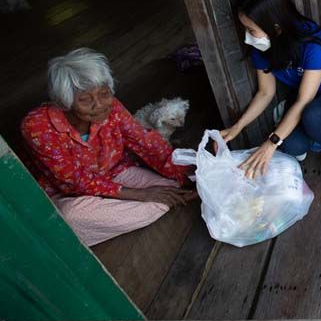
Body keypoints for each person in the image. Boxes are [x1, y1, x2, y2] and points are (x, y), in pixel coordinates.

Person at [20, 48, 195, 247]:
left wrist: (191, 176)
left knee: (171, 187)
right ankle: (143, 205)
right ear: (64, 101)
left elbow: (145, 142)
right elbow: (74, 182)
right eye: (85, 99)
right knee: (70, 218)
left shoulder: (113, 107)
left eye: (104, 93)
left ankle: (130, 208)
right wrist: (142, 195)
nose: (100, 105)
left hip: (115, 173)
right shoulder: (37, 125)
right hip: (68, 193)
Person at [221, 0, 321, 193]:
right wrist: (238, 126)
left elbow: (304, 101)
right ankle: (316, 132)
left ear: (276, 28)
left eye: (251, 30)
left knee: (313, 115)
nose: (247, 37)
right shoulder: (262, 45)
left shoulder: (313, 44)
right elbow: (266, 92)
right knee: (293, 146)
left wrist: (271, 143)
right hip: (302, 95)